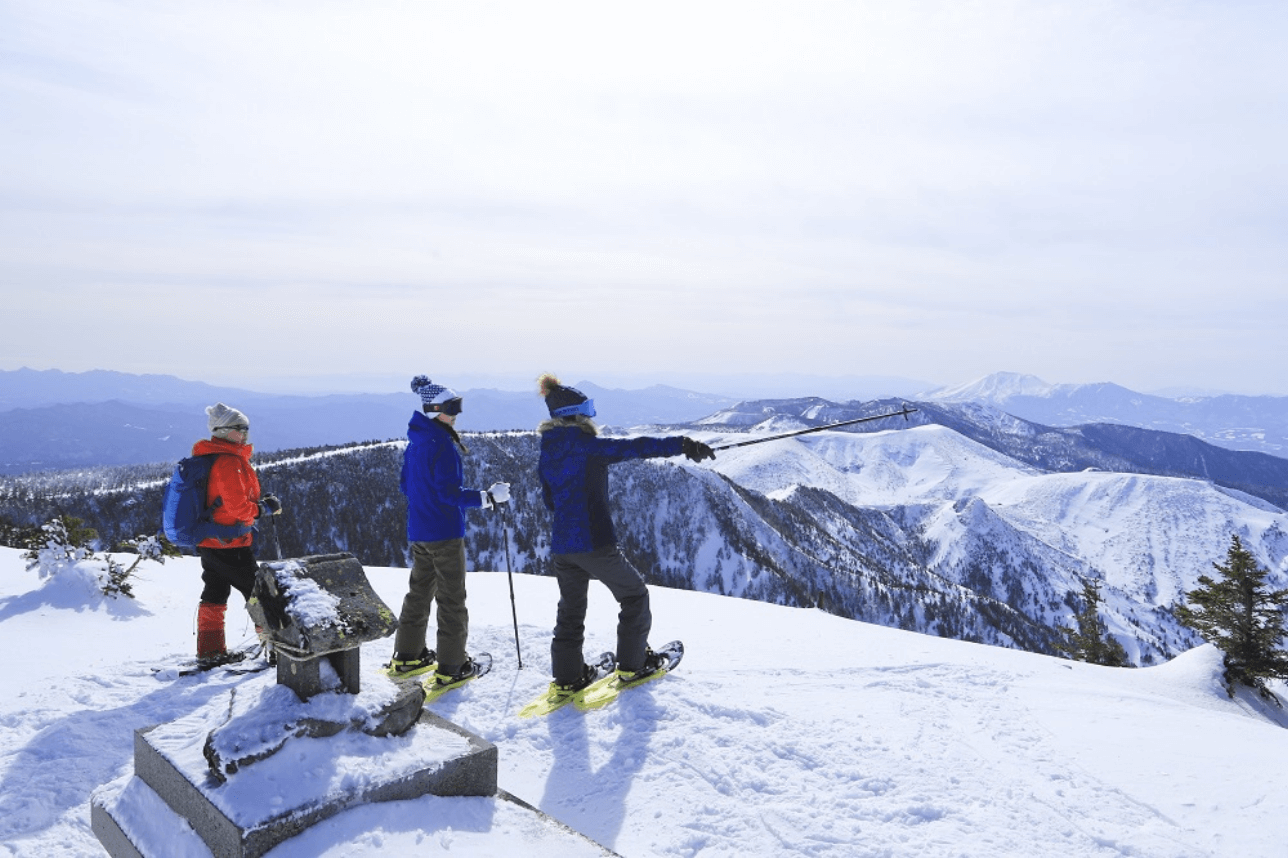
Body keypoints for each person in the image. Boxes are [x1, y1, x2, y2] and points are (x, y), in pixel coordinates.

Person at [536, 373, 715, 698]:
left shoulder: (548, 452)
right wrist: (683, 445)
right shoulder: (589, 447)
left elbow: (549, 500)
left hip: (562, 546)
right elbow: (635, 447)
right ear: (574, 416)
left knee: (570, 612)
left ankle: (568, 678)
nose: (591, 417)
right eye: (587, 410)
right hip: (594, 542)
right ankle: (633, 665)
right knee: (634, 596)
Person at [389, 375, 510, 687]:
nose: (456, 414)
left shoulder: (415, 442)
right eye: (451, 408)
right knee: (451, 599)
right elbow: (449, 493)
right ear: (433, 410)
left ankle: (408, 656)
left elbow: (406, 485)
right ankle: (452, 667)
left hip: (419, 532)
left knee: (418, 592)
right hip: (444, 533)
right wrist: (487, 498)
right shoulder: (442, 444)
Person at [194, 403, 282, 660]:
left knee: (214, 593)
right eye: (238, 429)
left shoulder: (214, 457)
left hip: (211, 539)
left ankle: (209, 651)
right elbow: (237, 508)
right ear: (221, 431)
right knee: (259, 594)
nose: (244, 433)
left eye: (246, 428)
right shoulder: (227, 462)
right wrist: (263, 508)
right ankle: (275, 649)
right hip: (230, 542)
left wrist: (257, 503)